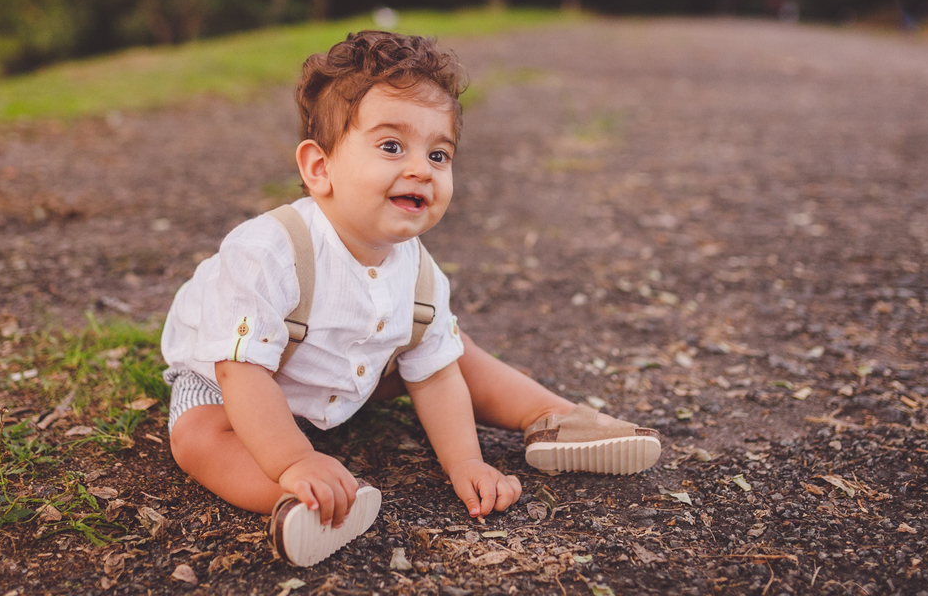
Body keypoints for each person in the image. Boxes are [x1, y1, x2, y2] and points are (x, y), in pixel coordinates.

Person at [159, 30, 660, 566]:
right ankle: (305, 504)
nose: (421, 168)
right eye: (392, 146)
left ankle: (550, 418)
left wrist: (465, 460)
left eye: (439, 154)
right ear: (319, 168)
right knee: (198, 438)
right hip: (232, 379)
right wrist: (295, 461)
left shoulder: (420, 272)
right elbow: (242, 373)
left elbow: (437, 376)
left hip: (348, 372)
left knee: (442, 344)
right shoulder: (270, 251)